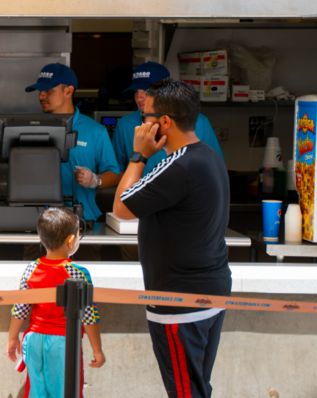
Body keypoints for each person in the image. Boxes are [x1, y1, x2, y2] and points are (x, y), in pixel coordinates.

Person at [112, 78, 232, 398]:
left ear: (164, 122)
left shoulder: (177, 165)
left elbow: (122, 207)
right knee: (196, 386)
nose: (141, 124)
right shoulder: (207, 156)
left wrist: (138, 156)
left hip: (180, 302)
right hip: (209, 291)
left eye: (145, 117)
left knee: (184, 391)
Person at [7, 208, 105, 398]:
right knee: (67, 391)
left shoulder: (31, 269)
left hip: (34, 340)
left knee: (36, 390)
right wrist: (97, 349)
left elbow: (20, 308)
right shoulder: (78, 272)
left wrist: (12, 338)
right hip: (65, 342)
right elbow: (88, 315)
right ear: (71, 241)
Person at [25, 63, 121, 223]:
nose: (41, 96)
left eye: (48, 90)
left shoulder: (95, 131)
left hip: (82, 221)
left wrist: (95, 180)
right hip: (37, 222)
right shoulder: (30, 128)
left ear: (68, 91)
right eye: (40, 91)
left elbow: (114, 174)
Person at [113, 61, 224, 175]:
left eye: (146, 90)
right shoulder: (124, 124)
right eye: (136, 91)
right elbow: (117, 170)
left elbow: (216, 168)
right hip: (141, 192)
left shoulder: (199, 122)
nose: (139, 97)